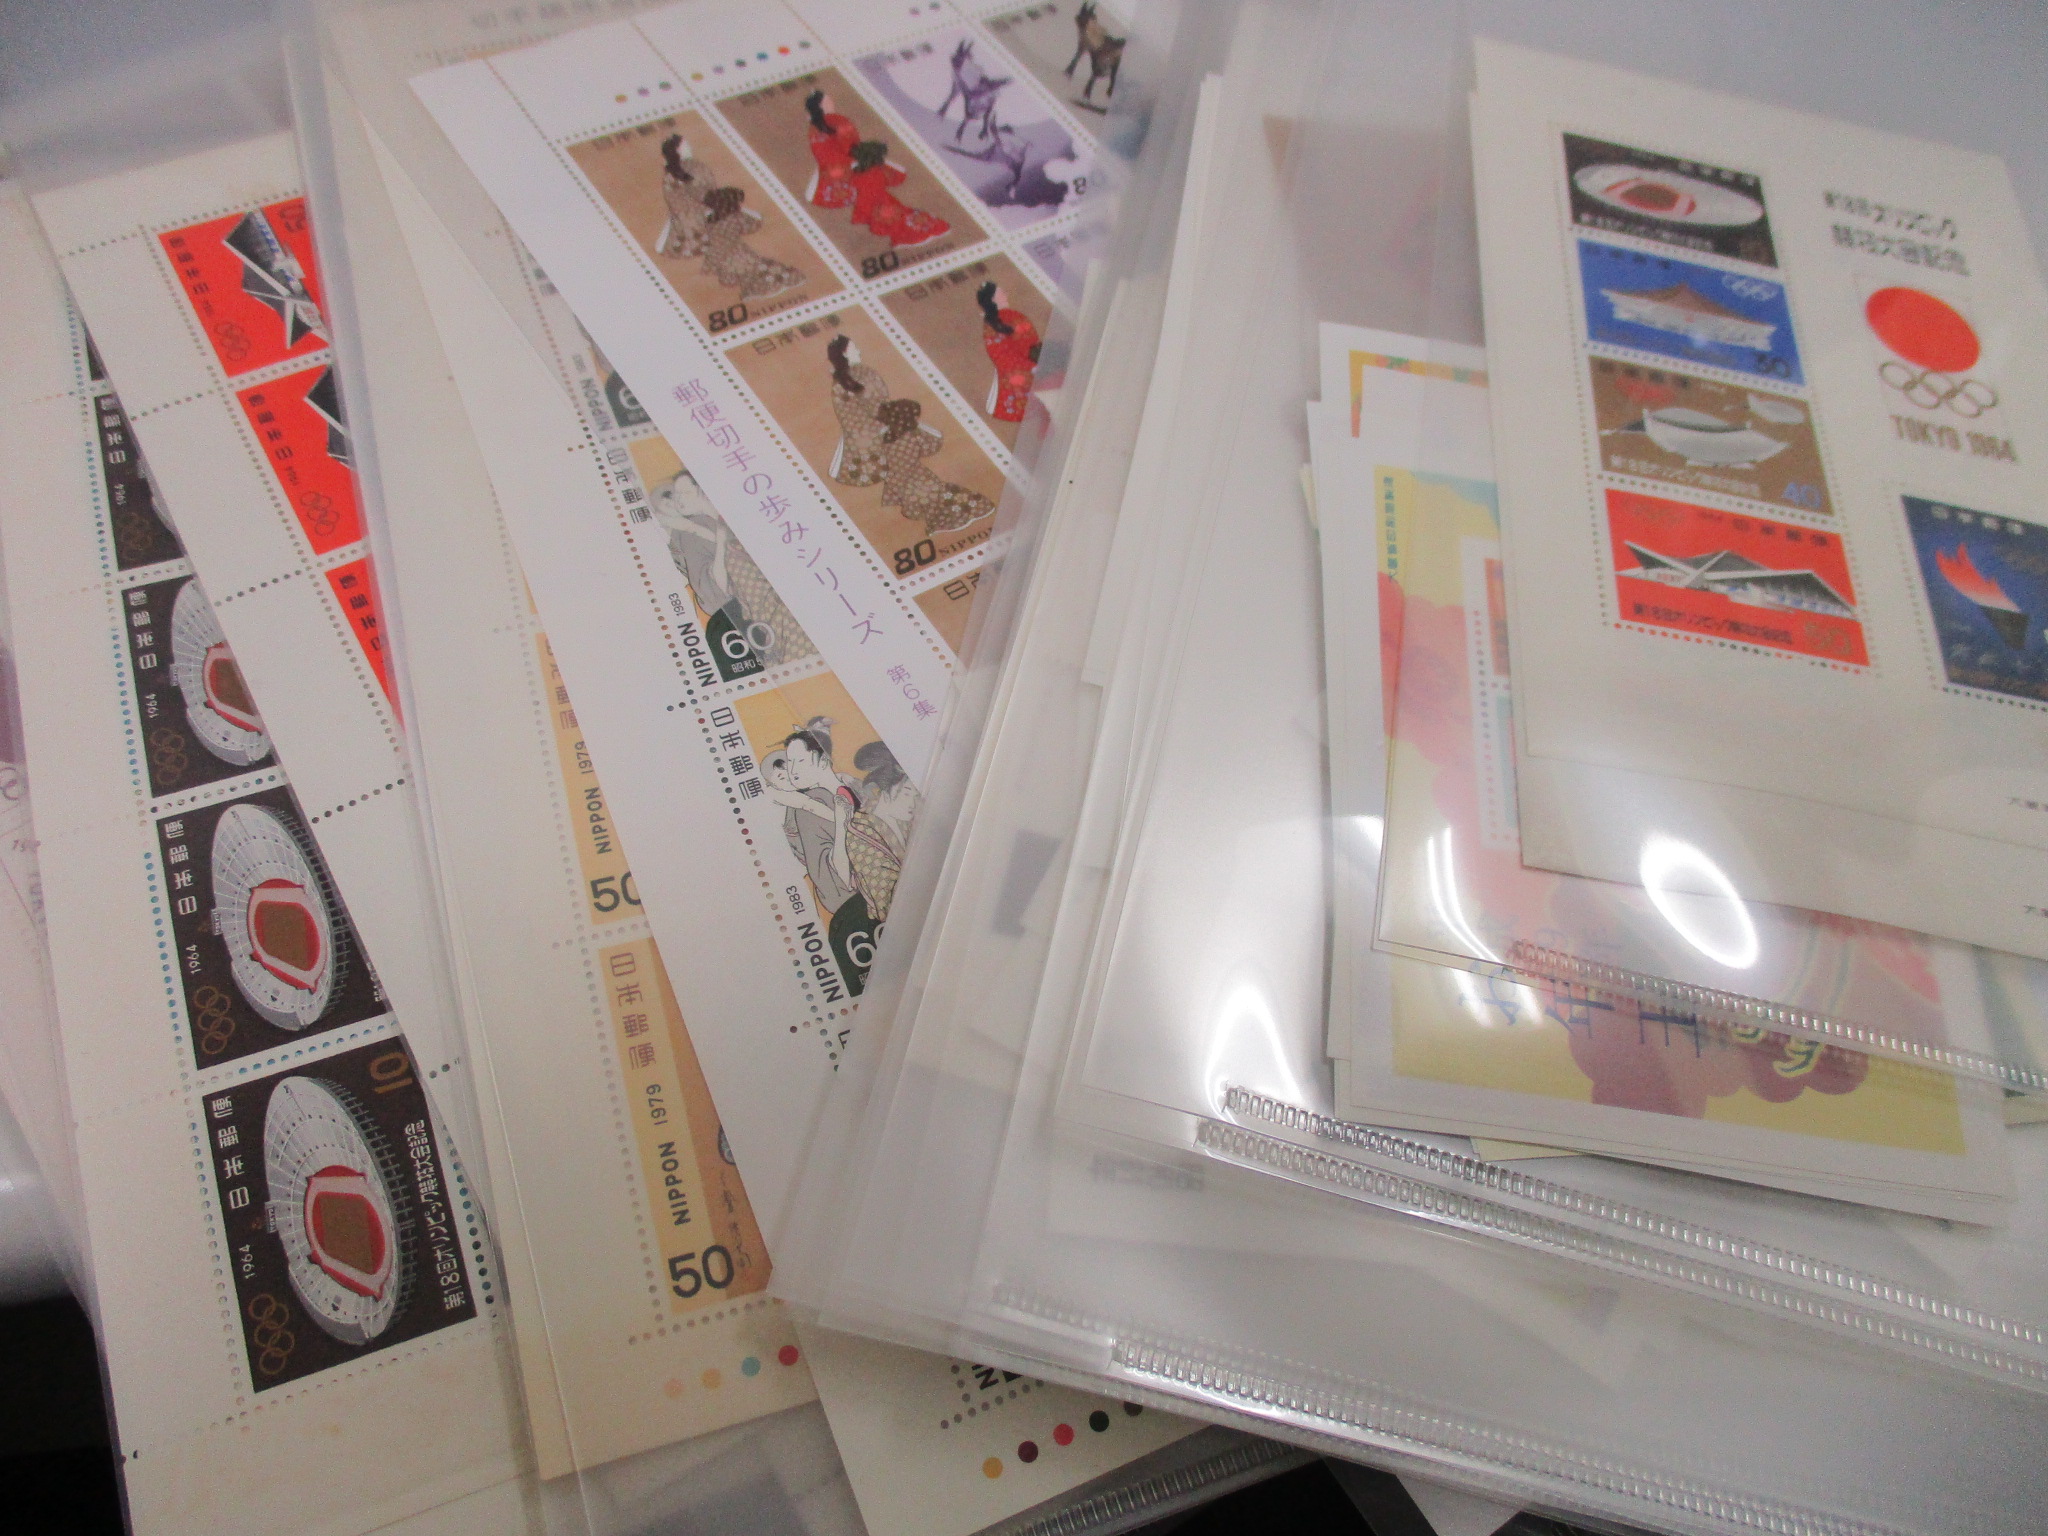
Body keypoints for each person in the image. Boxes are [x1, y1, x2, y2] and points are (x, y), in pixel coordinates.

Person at [876, 397, 994, 534]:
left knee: (934, 496)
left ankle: (934, 516)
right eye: (915, 416)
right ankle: (944, 520)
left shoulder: (883, 436)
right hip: (916, 475)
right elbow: (932, 446)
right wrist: (921, 426)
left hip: (895, 479)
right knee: (940, 496)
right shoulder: (914, 435)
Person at [845, 741, 918, 925]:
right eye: (907, 793)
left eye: (916, 795)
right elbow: (888, 903)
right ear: (886, 791)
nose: (913, 803)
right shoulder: (861, 833)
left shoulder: (903, 818)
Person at [847, 140, 950, 247]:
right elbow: (898, 176)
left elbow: (877, 228)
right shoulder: (903, 211)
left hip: (872, 199)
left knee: (871, 184)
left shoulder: (889, 224)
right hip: (876, 194)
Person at [826, 335, 891, 488]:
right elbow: (878, 400)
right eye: (854, 348)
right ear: (845, 353)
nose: (859, 351)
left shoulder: (839, 379)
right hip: (874, 428)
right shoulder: (861, 372)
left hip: (856, 435)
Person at [976, 281, 1040, 423]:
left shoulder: (1011, 315)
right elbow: (1003, 355)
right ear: (993, 299)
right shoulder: (995, 324)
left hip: (1030, 359)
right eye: (1001, 292)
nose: (1006, 294)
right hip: (1019, 367)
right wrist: (1030, 365)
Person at [803, 90, 859, 211]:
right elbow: (853, 146)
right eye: (828, 101)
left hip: (826, 171)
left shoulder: (813, 128)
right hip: (847, 166)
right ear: (822, 105)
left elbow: (819, 153)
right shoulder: (839, 120)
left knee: (810, 195)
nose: (832, 102)